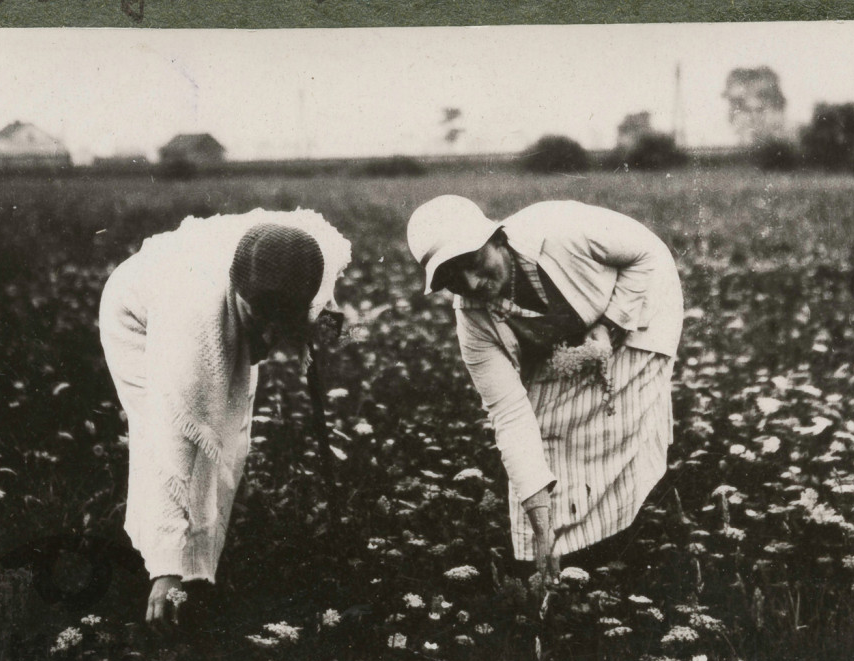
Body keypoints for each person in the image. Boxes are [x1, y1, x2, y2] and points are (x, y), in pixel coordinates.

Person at [406, 196, 682, 582]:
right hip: (566, 345)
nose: (469, 284)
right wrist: (539, 521)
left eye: (472, 263)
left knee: (614, 425)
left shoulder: (563, 230)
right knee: (545, 428)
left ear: (498, 238)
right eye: (452, 278)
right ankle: (547, 553)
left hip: (641, 313)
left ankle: (625, 546)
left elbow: (648, 253)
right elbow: (509, 413)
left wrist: (610, 325)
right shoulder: (472, 320)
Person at [99, 208, 350, 629]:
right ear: (243, 296)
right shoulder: (192, 324)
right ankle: (166, 572)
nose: (271, 339)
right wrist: (166, 570)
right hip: (138, 314)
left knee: (231, 439)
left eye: (282, 324)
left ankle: (200, 573)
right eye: (263, 323)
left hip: (220, 296)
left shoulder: (309, 257)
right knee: (183, 434)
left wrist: (325, 321)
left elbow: (323, 301)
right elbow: (169, 445)